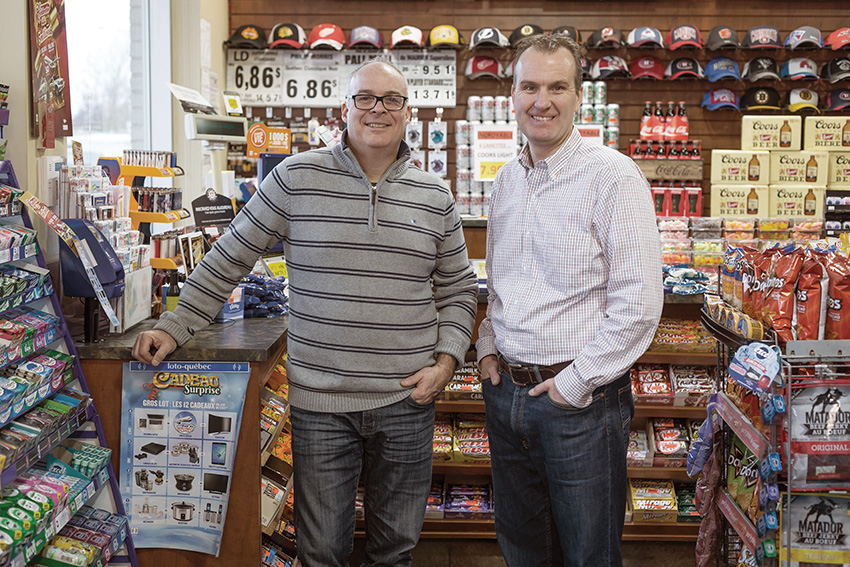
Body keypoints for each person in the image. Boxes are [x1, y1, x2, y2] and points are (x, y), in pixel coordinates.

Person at [133, 59, 478, 567]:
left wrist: (446, 363)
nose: (377, 109)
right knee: (321, 552)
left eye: (391, 100)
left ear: (409, 113)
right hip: (322, 406)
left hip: (408, 400)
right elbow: (231, 254)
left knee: (396, 551)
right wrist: (176, 323)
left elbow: (458, 289)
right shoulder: (296, 178)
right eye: (365, 98)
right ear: (345, 108)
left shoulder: (436, 195)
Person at [476, 34, 662, 567]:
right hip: (506, 395)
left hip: (580, 402)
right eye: (529, 86)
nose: (542, 100)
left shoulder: (613, 176)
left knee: (588, 554)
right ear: (511, 95)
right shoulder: (508, 180)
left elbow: (640, 304)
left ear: (579, 96)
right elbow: (502, 280)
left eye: (557, 86)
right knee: (524, 548)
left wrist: (576, 385)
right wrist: (488, 346)